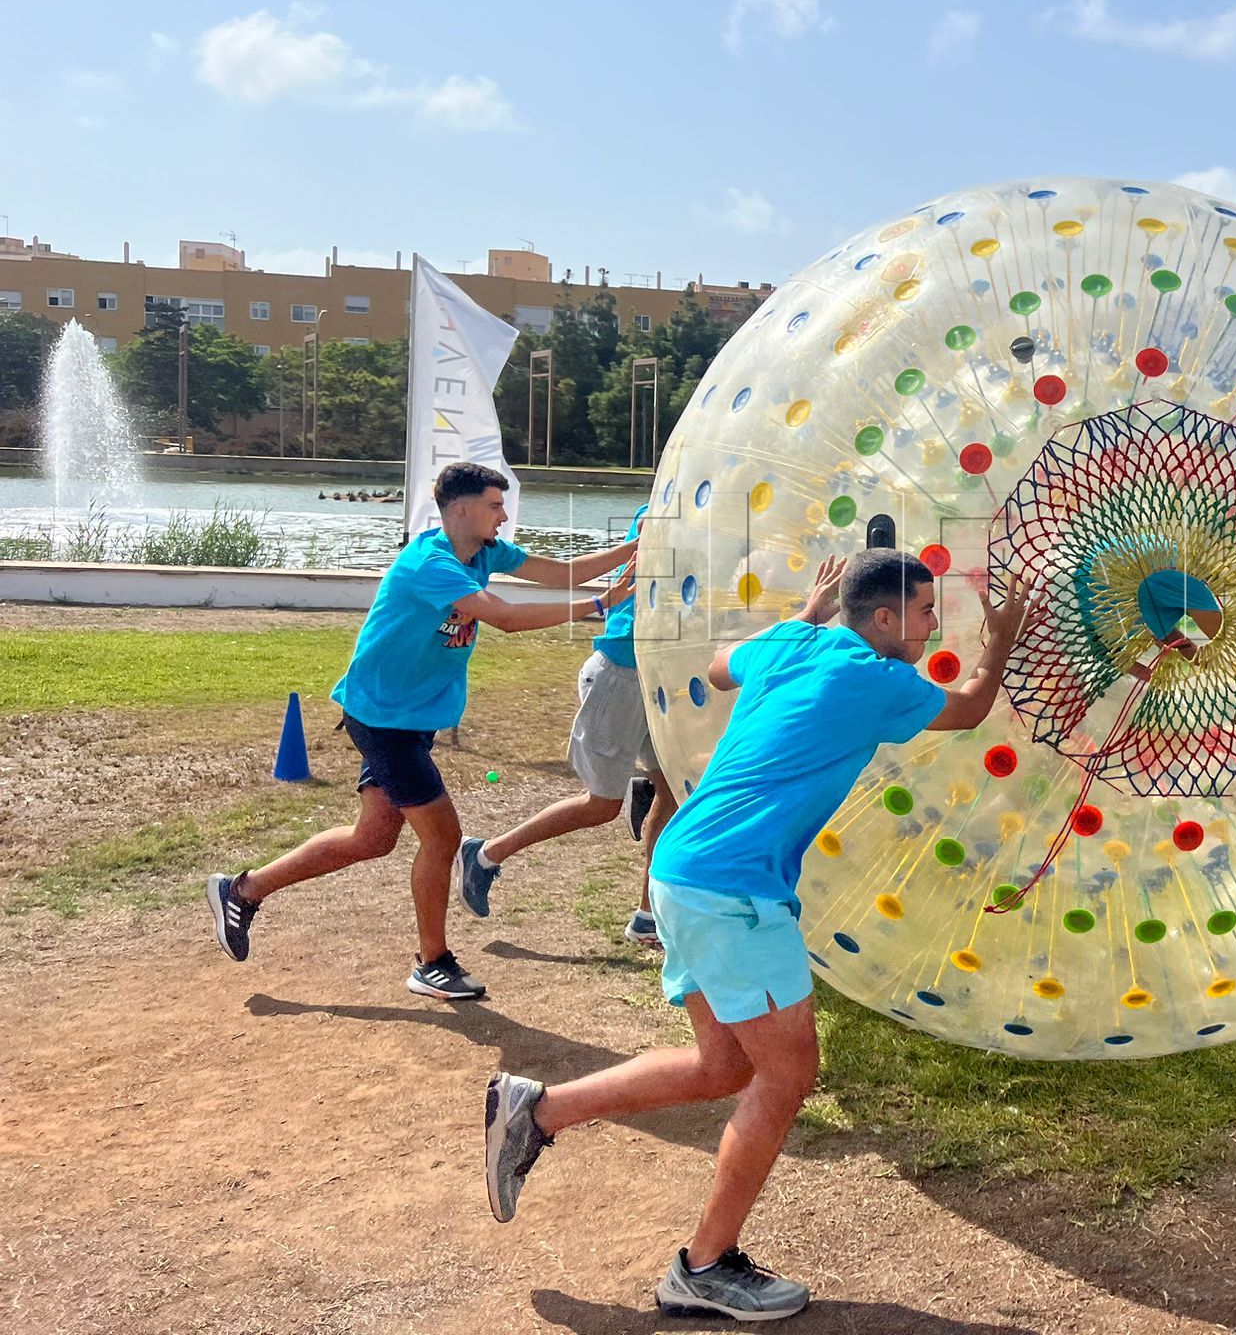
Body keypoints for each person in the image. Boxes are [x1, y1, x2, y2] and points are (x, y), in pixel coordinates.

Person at [482, 547, 1044, 1321]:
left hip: (687, 869)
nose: (928, 627)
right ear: (883, 620)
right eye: (921, 615)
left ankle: (536, 1112)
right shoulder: (876, 680)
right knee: (785, 1076)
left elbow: (719, 670)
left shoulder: (797, 642)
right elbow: (972, 706)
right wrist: (1002, 638)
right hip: (732, 887)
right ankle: (703, 1266)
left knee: (722, 1066)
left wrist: (806, 615)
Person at [205, 462, 638, 1000]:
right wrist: (600, 605)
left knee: (373, 838)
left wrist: (636, 546)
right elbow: (502, 616)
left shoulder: (483, 551)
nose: (504, 516)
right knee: (443, 837)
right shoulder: (430, 563)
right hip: (383, 718)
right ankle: (432, 962)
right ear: (461, 509)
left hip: (406, 719)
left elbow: (562, 571)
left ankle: (242, 890)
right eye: (495, 506)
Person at [455, 503, 679, 945]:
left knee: (674, 789)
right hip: (622, 674)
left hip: (660, 675)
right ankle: (484, 855)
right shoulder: (663, 510)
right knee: (600, 807)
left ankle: (647, 917)